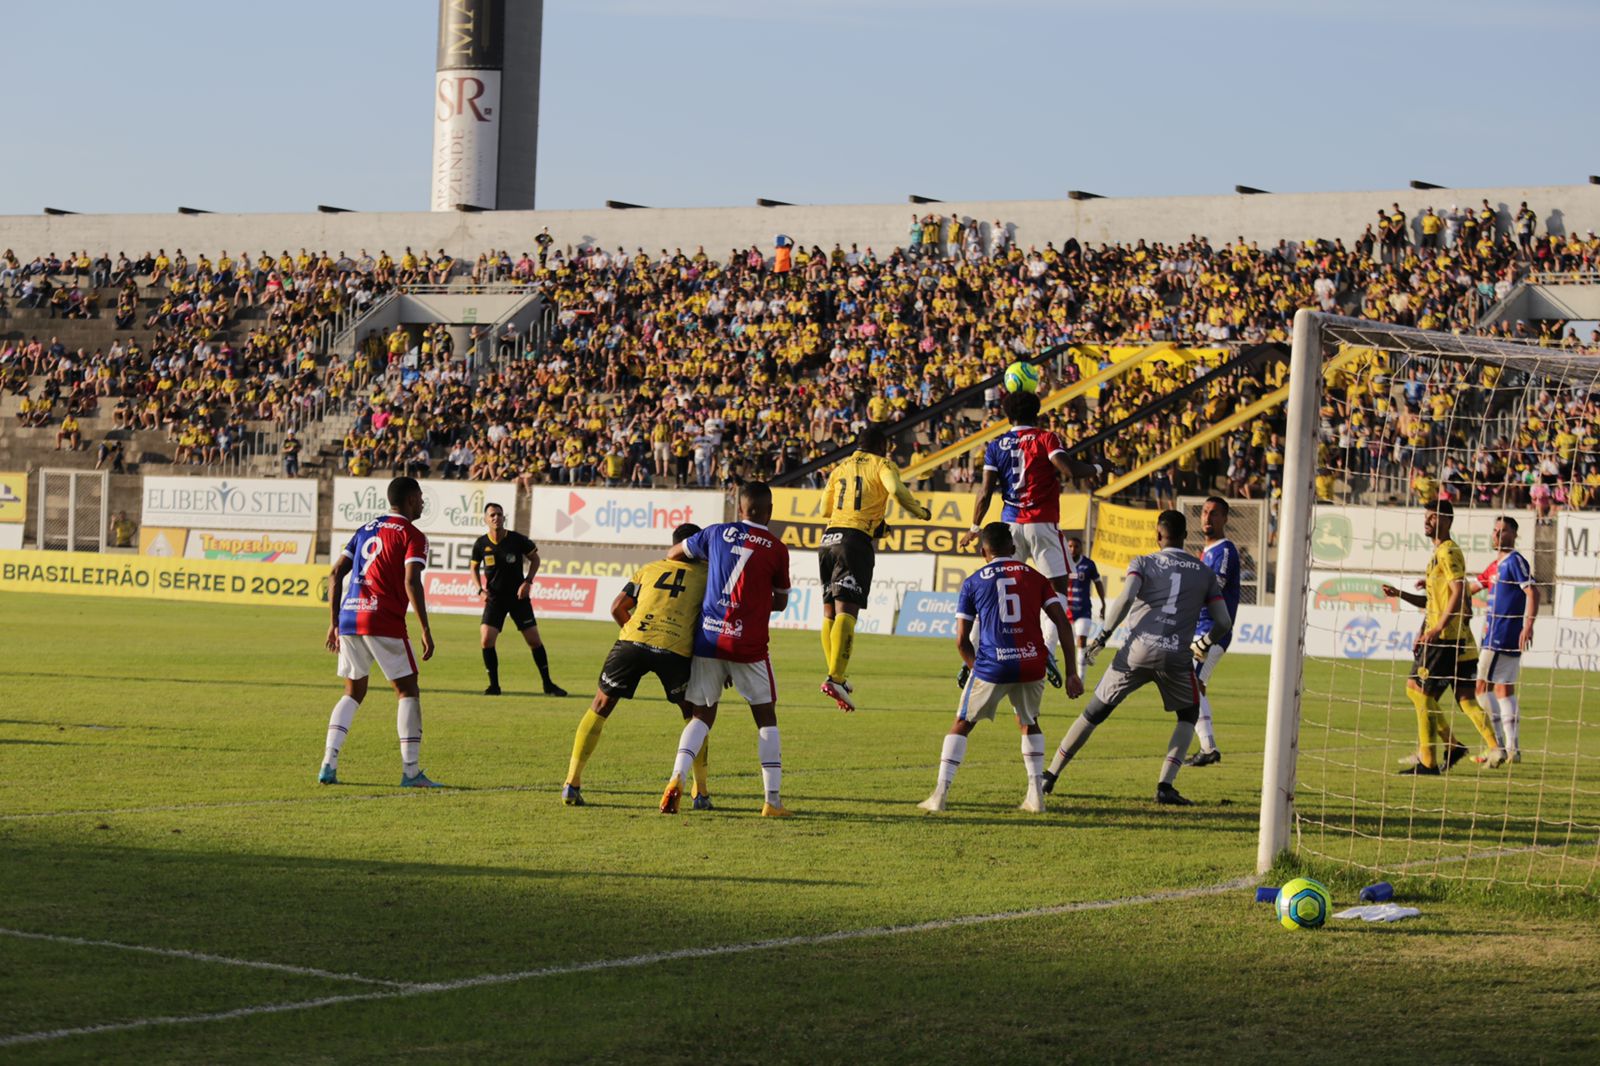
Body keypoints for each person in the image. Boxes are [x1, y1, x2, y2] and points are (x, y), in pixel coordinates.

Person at [1041, 510, 1231, 807]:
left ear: (1158, 535)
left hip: (1135, 652)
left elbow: (1127, 598)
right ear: (1185, 536)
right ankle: (1165, 786)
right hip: (1176, 656)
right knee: (1189, 715)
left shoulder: (1142, 562)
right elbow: (1223, 622)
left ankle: (1050, 776)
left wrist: (1102, 637)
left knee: (1093, 713)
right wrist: (1204, 642)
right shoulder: (1203, 572)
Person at [917, 523, 1083, 814]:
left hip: (993, 665)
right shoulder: (1037, 577)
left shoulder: (972, 582)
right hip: (1032, 663)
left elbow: (961, 640)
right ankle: (1035, 797)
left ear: (984, 552)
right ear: (1013, 548)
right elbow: (1062, 623)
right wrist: (1071, 672)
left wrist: (974, 667)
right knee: (1029, 722)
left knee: (962, 723)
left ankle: (939, 795)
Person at [658, 482, 792, 817]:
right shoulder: (776, 548)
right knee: (765, 718)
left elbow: (673, 554)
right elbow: (782, 601)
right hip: (748, 645)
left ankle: (677, 776)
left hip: (708, 639)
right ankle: (771, 802)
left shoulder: (715, 533)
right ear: (769, 509)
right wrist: (756, 600)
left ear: (740, 508)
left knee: (701, 715)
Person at [959, 389, 1104, 688]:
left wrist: (974, 527)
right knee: (1057, 590)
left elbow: (985, 491)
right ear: (1036, 413)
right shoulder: (1045, 438)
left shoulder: (996, 444)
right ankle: (1048, 652)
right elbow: (1069, 469)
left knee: (994, 588)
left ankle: (972, 653)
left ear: (1007, 415)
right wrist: (1100, 467)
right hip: (1042, 524)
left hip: (1010, 525)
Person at [563, 524, 710, 808]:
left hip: (633, 642)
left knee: (600, 705)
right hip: (675, 650)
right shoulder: (706, 576)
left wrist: (637, 635)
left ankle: (572, 783)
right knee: (694, 716)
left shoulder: (650, 568)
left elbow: (617, 607)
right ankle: (700, 792)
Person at [318, 476, 442, 788]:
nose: (423, 503)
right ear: (412, 499)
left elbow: (335, 574)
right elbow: (411, 581)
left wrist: (333, 622)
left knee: (353, 692)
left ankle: (328, 764)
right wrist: (425, 628)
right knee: (407, 690)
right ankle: (411, 771)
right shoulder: (413, 535)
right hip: (382, 618)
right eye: (421, 498)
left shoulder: (365, 529)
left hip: (349, 618)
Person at [1380, 500, 1504, 774]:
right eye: (1426, 516)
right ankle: (1451, 748)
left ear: (1446, 520)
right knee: (1442, 697)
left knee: (1420, 692)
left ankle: (1431, 758)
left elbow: (1460, 591)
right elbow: (1433, 603)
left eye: (1432, 517)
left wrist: (1436, 630)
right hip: (1446, 637)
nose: (1427, 521)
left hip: (1447, 638)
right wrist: (1404, 599)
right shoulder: (1437, 556)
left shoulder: (1448, 552)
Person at [816, 422, 932, 711]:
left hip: (828, 539)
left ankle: (837, 677)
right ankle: (836, 676)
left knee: (829, 609)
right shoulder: (883, 464)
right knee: (847, 610)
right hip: (854, 542)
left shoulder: (840, 468)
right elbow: (896, 491)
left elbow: (824, 510)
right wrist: (919, 511)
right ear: (882, 446)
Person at [469, 502, 566, 697]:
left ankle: (548, 684)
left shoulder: (517, 540)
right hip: (494, 599)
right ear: (486, 519)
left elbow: (535, 559)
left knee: (533, 640)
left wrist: (528, 581)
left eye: (499, 514)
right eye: (492, 515)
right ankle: (494, 686)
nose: (496, 518)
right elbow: (473, 567)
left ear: (504, 518)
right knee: (486, 639)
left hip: (518, 598)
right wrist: (480, 590)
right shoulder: (481, 544)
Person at [1469, 515, 1537, 764]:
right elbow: (1471, 588)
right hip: (1497, 634)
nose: (1497, 534)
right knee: (1503, 689)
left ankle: (1494, 745)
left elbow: (1532, 591)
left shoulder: (1515, 561)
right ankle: (1512, 749)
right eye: (1495, 530)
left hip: (1501, 634)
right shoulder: (1494, 566)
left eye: (1503, 530)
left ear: (1514, 535)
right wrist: (1438, 589)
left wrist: (1528, 625)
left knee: (1479, 688)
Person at [1184, 497, 1242, 767]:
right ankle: (1207, 746)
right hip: (1200, 629)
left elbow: (1214, 586)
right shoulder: (1205, 552)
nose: (1208, 518)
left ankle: (1208, 747)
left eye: (1215, 513)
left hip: (1214, 630)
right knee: (1195, 685)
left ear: (1225, 519)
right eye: (1205, 513)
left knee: (1191, 684)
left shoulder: (1225, 550)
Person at [1063, 536, 1106, 680]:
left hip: (1083, 610)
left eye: (1075, 546)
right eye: (1070, 546)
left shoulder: (1088, 565)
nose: (1072, 549)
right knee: (1066, 643)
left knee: (1081, 642)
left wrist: (1103, 603)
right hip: (1065, 610)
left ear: (1081, 548)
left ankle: (1080, 678)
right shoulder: (1062, 563)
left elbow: (1098, 583)